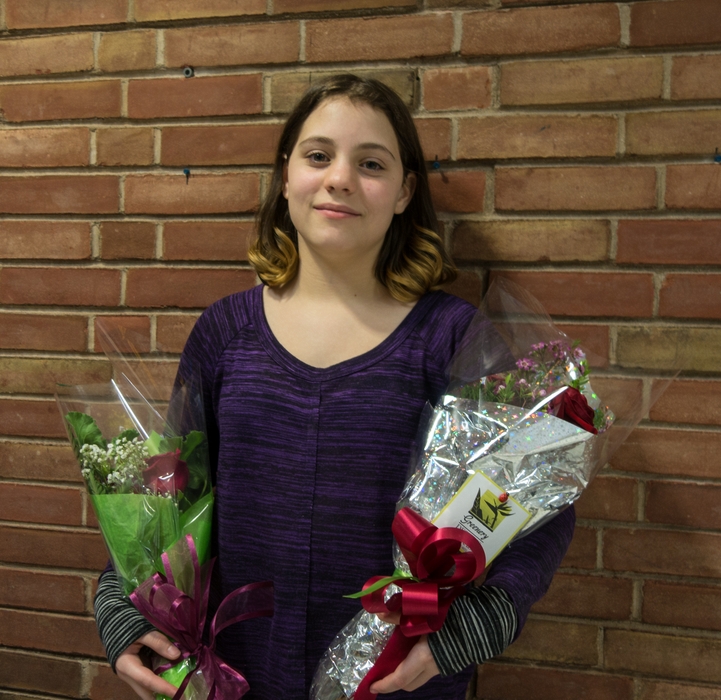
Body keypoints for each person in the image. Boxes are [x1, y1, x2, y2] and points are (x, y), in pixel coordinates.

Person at [94, 74, 575, 700]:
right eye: (318, 156)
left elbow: (536, 505)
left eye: (369, 163)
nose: (340, 178)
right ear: (285, 175)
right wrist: (124, 609)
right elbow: (166, 498)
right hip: (234, 677)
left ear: (404, 192)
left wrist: (472, 628)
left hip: (395, 680)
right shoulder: (224, 334)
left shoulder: (452, 339)